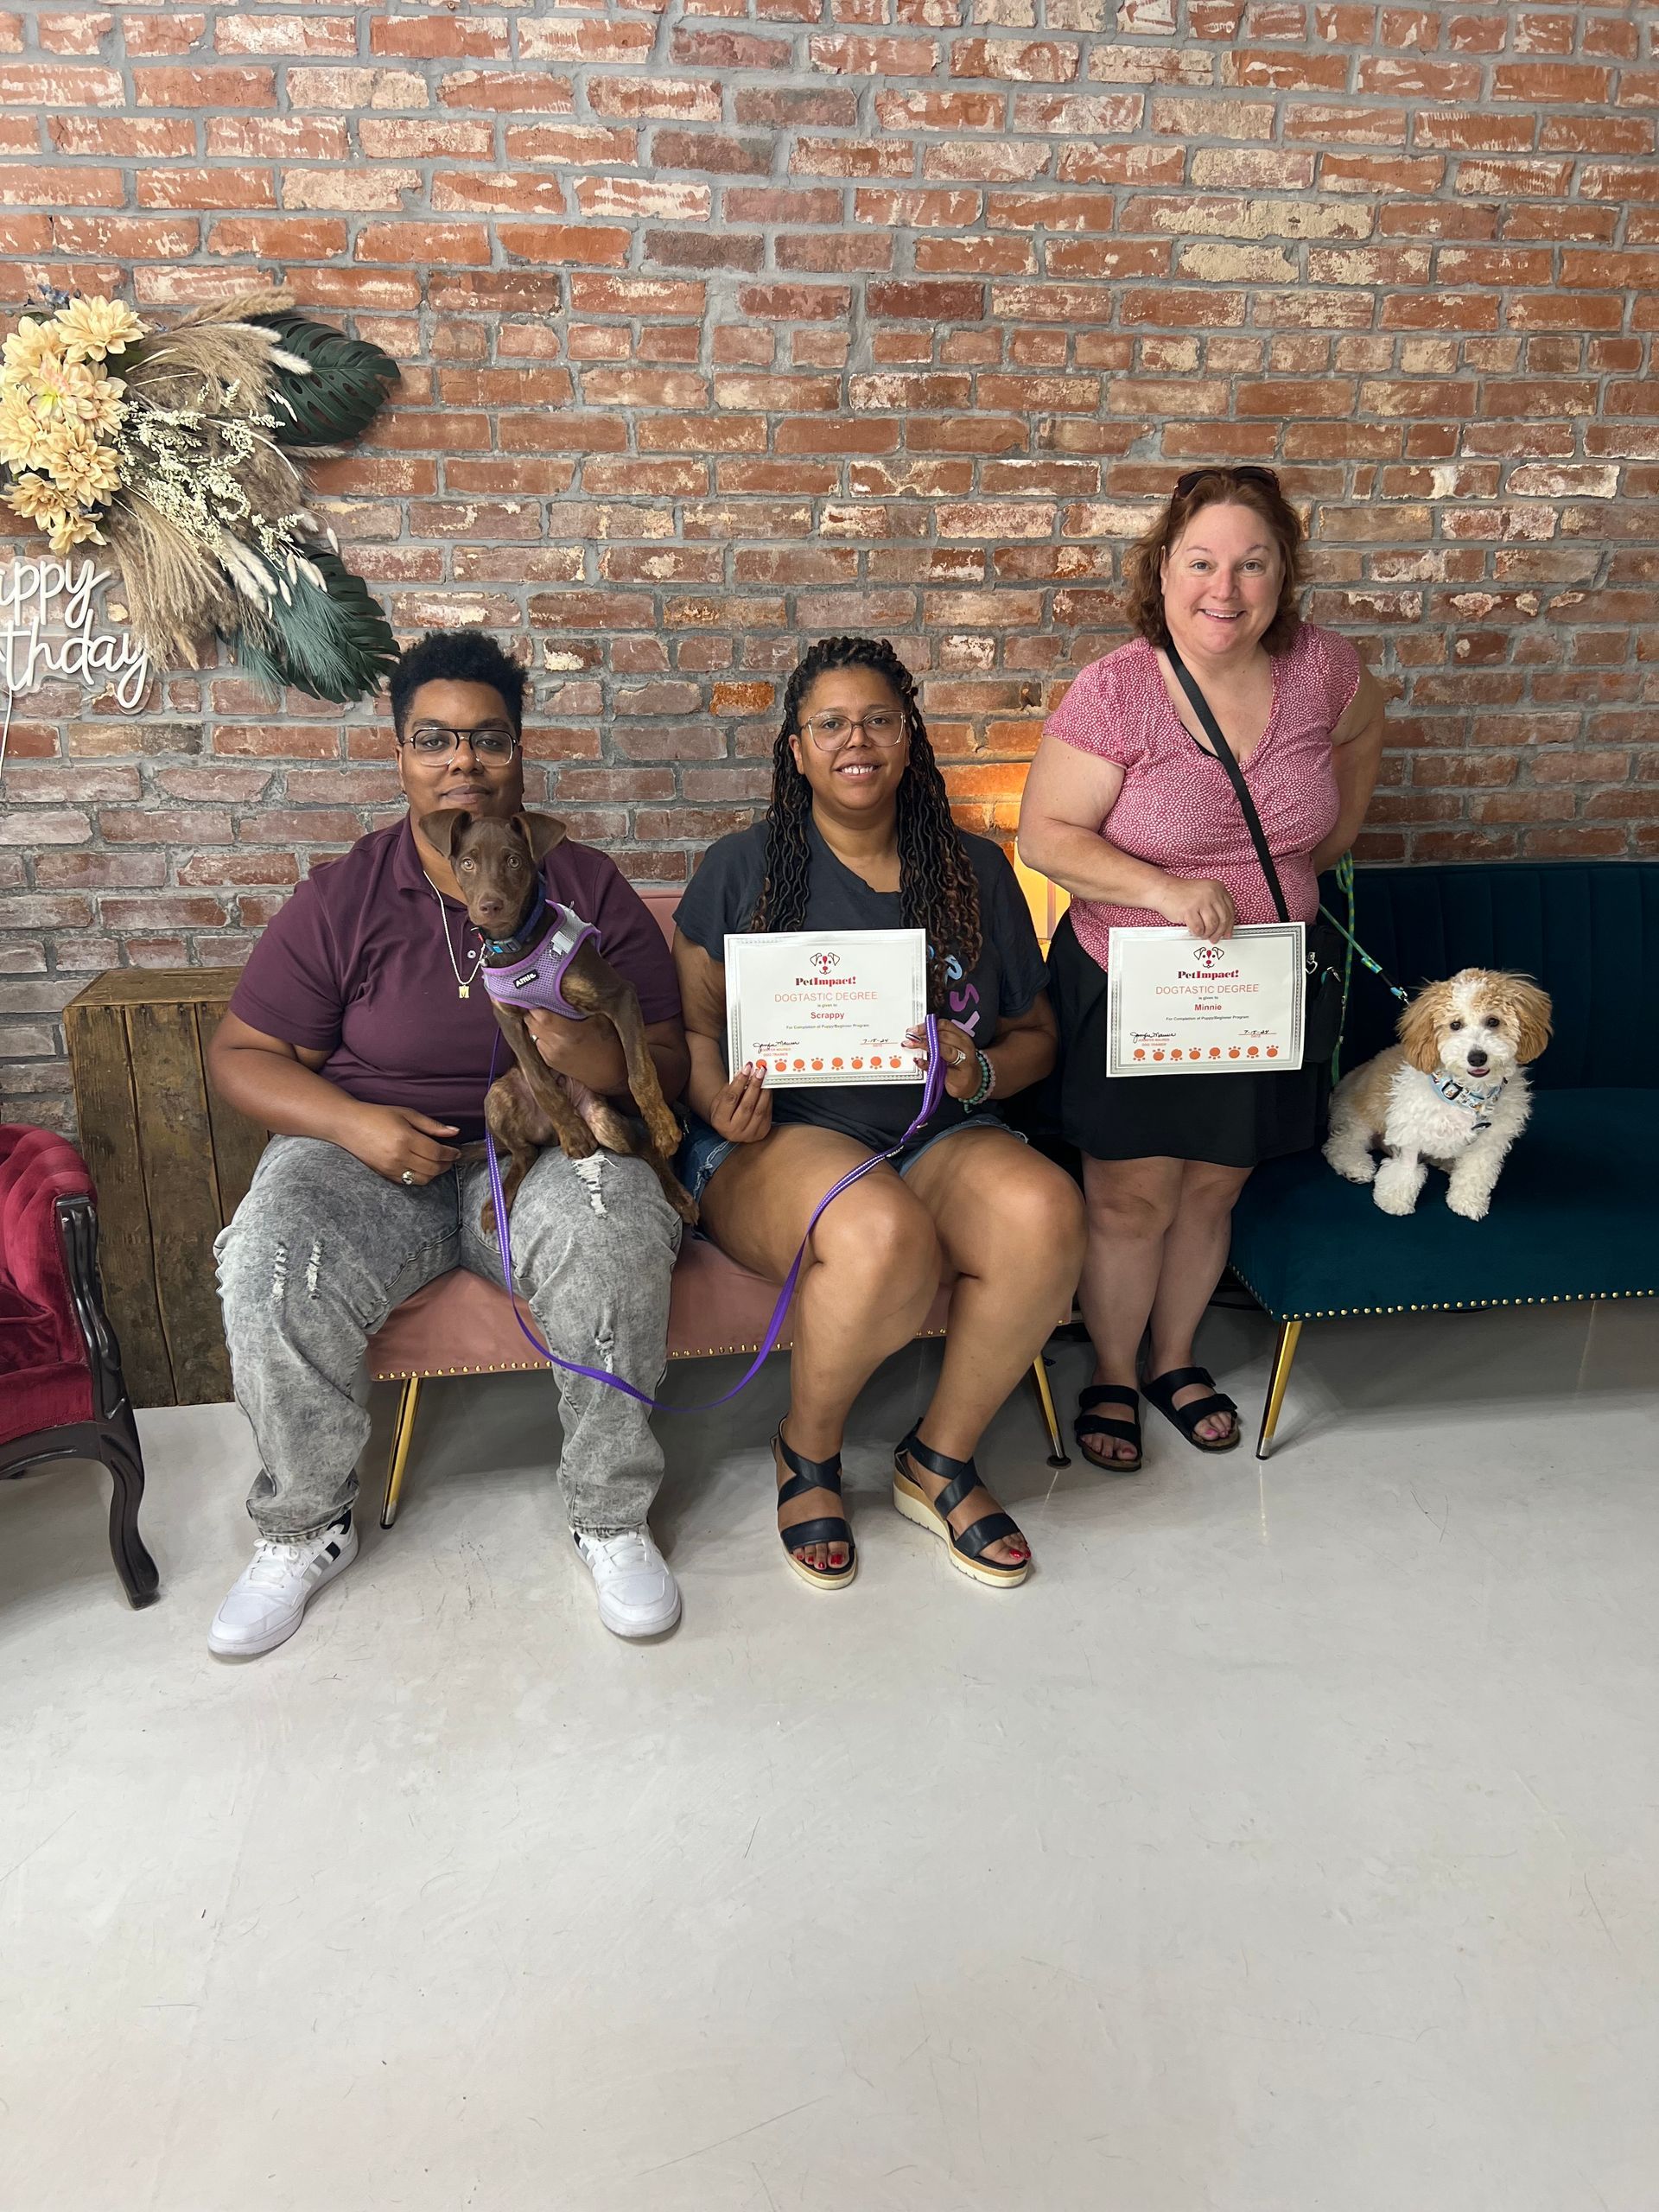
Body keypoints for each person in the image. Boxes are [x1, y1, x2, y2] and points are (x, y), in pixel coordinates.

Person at [206, 630, 691, 1655]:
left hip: (543, 1143)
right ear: (400, 754)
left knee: (613, 1227)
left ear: (521, 754)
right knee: (267, 1257)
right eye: (435, 739)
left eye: (489, 739)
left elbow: (666, 1059)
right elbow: (241, 1055)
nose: (463, 760)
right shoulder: (342, 897)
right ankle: (306, 1522)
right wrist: (354, 1124)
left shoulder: (584, 885)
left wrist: (585, 1056)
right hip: (367, 1154)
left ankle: (609, 1514)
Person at [672, 634, 1085, 1592]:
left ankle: (937, 1458)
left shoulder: (974, 873)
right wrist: (714, 1101)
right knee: (878, 1233)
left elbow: (1036, 1038)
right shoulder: (739, 870)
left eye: (878, 719)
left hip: (937, 1129)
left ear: (909, 738)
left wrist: (977, 1071)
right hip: (779, 1139)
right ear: (795, 747)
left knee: (1046, 1212)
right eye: (830, 723)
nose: (855, 739)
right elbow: (690, 1036)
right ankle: (806, 1453)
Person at [1017, 467, 1385, 1471]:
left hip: (1261, 986)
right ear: (1165, 570)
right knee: (1131, 1196)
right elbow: (1044, 833)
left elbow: (1359, 742)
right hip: (1135, 984)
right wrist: (1163, 888)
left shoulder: (1325, 671)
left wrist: (1321, 851)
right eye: (1203, 562)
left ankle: (1174, 1360)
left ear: (1283, 573)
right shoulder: (1119, 689)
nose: (1226, 588)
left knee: (1214, 1189)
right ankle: (1111, 1370)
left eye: (1252, 562)